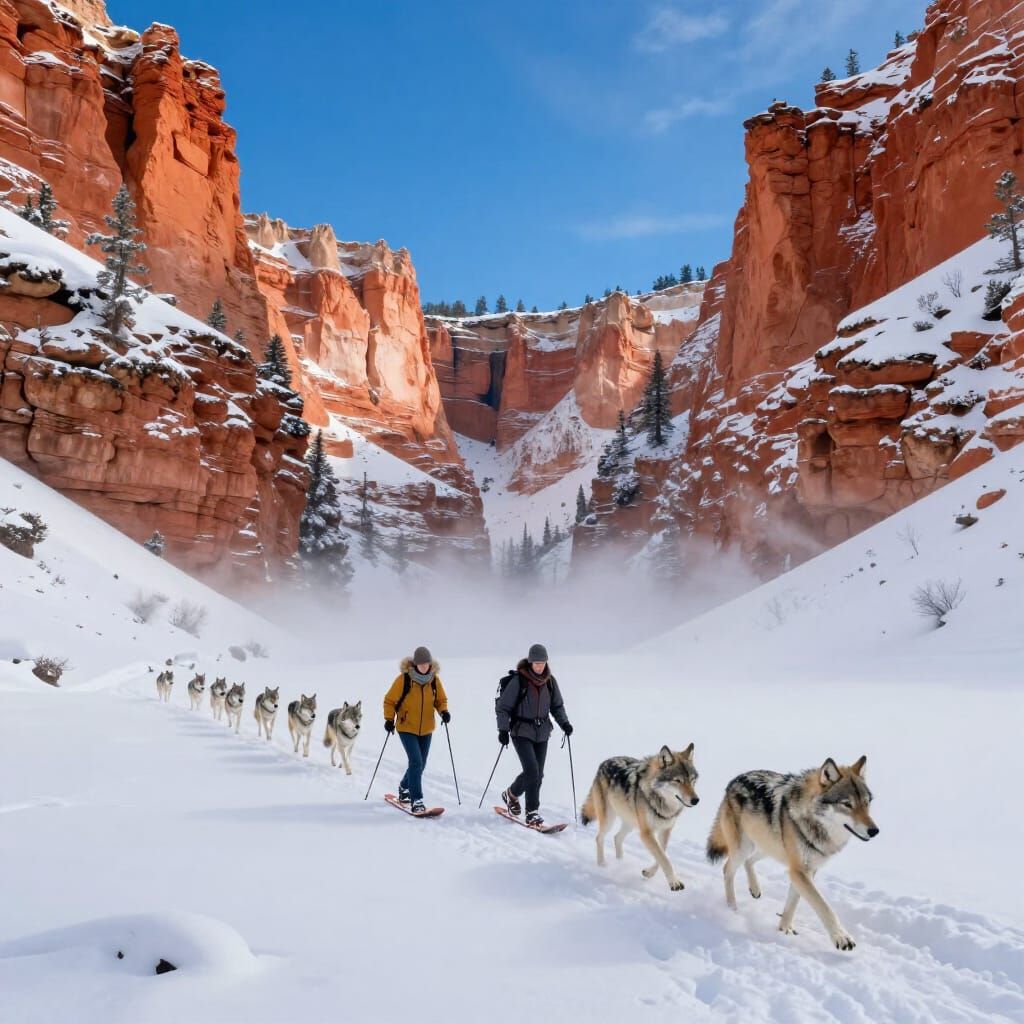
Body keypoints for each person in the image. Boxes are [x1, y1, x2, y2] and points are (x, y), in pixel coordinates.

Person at [497, 643, 572, 826]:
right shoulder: (519, 681)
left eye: (542, 663)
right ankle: (532, 812)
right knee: (532, 771)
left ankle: (511, 794)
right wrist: (503, 730)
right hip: (521, 731)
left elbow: (557, 706)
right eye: (536, 663)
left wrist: (564, 723)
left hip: (542, 732)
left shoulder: (550, 682)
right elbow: (503, 708)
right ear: (530, 662)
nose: (539, 666)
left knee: (538, 774)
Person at [383, 646, 449, 814]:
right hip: (406, 727)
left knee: (421, 764)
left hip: (426, 728)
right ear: (415, 664)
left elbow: (440, 700)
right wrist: (389, 719)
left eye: (427, 663)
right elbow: (389, 701)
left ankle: (404, 787)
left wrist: (444, 712)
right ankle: (417, 800)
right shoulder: (404, 679)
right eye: (421, 664)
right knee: (416, 762)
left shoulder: (434, 680)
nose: (424, 666)